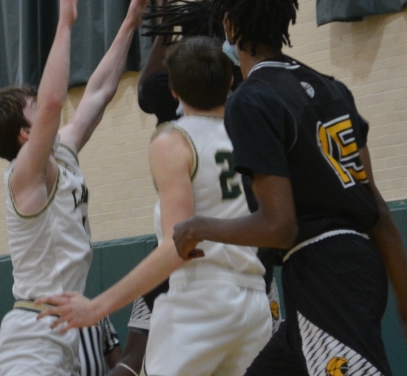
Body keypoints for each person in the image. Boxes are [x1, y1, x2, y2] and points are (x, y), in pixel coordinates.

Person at [173, 0, 407, 375]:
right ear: (283, 19)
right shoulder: (329, 89)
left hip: (323, 276)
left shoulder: (251, 101)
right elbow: (378, 208)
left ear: (228, 27)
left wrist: (198, 227)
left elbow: (279, 226)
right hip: (356, 265)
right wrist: (406, 304)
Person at [37, 36, 272, 376]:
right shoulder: (249, 134)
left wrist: (97, 306)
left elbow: (178, 247)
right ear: (231, 80)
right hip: (254, 301)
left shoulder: (174, 140)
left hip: (202, 299)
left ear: (173, 90)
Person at [0, 0, 159, 376]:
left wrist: (129, 24)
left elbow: (100, 91)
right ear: (25, 134)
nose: (44, 106)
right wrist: (64, 23)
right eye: (32, 107)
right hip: (32, 335)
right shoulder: (23, 177)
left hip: (61, 330)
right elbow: (55, 99)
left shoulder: (63, 152)